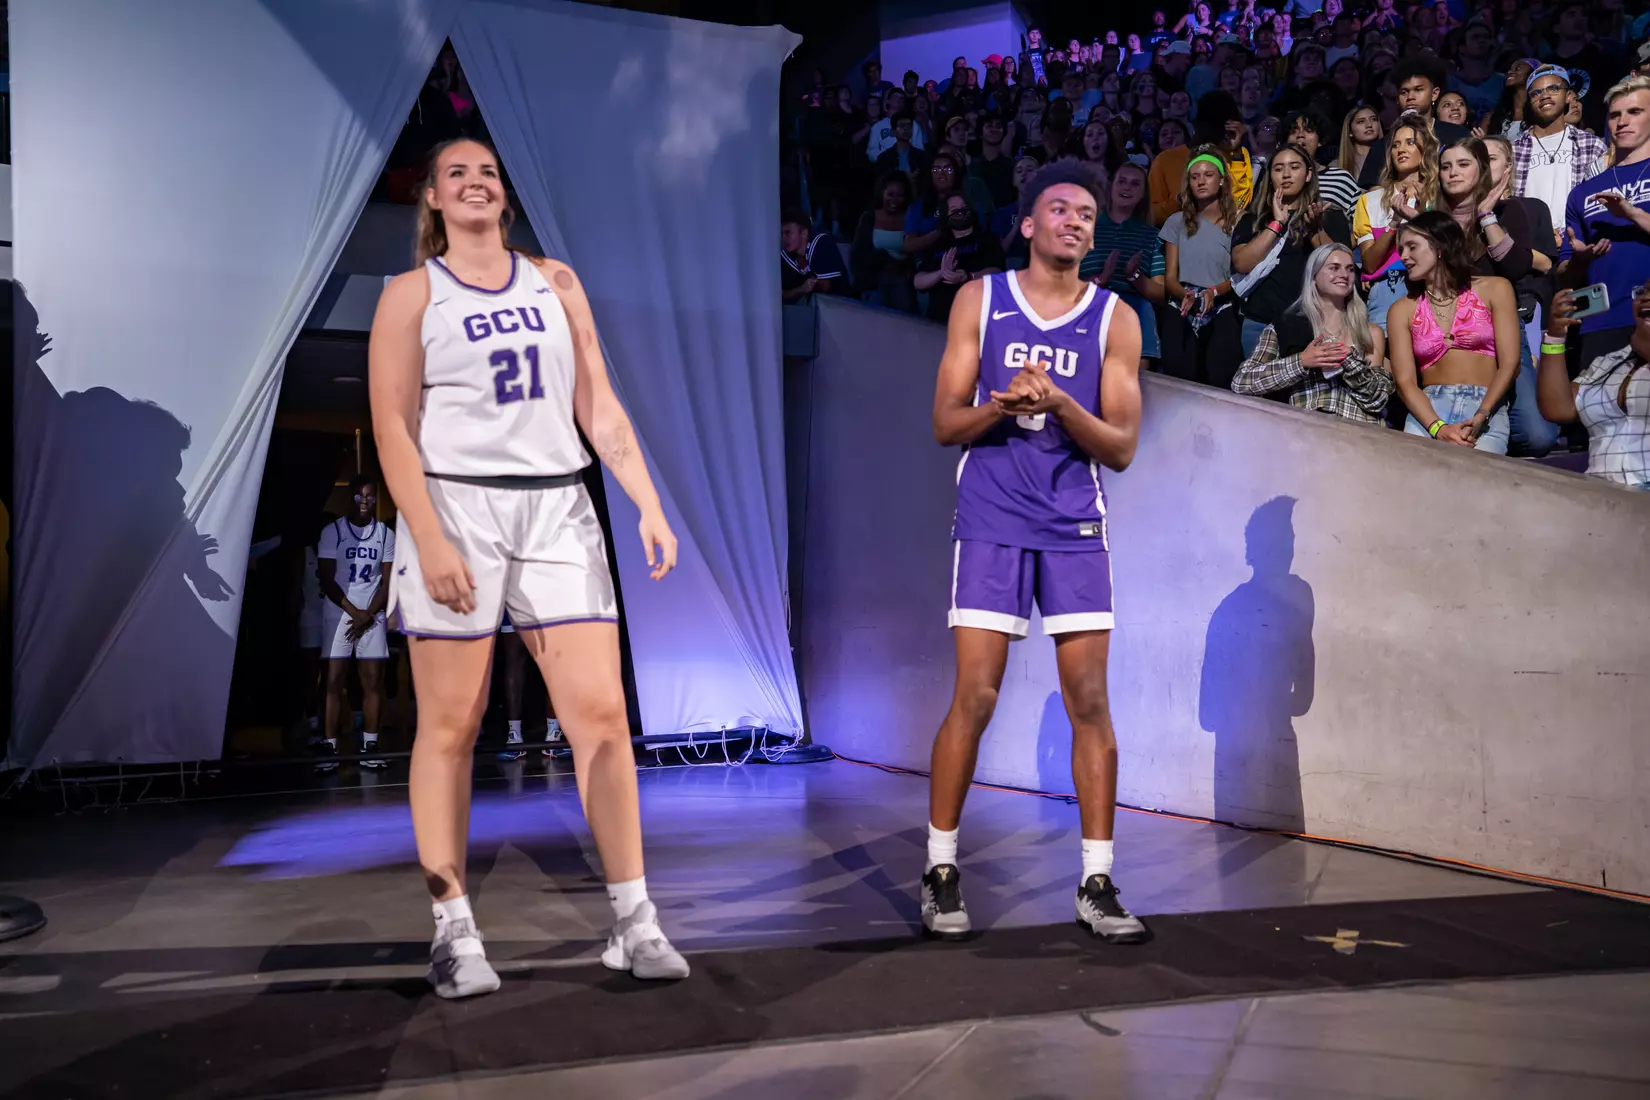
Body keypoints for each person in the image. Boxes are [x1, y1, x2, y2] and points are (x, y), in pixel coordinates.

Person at [369, 138, 689, 997]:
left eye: (488, 172)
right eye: (457, 173)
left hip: (557, 504)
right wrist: (428, 537)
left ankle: (634, 918)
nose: (475, 182)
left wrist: (646, 500)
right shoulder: (408, 295)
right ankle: (454, 929)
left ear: (504, 196)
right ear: (431, 198)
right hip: (456, 503)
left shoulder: (557, 280)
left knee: (602, 715)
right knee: (452, 722)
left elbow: (597, 402)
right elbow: (394, 426)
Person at [923, 159, 1148, 945]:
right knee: (975, 699)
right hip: (991, 515)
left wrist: (1059, 403)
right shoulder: (979, 300)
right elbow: (946, 424)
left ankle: (1096, 880)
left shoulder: (1115, 317)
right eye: (1060, 209)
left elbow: (1119, 447)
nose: (1076, 221)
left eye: (1087, 213)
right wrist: (999, 403)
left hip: (1073, 525)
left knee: (1090, 702)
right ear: (1027, 223)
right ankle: (942, 868)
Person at [1388, 211, 1522, 453]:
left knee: (1478, 482)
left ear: (1440, 246)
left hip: (1485, 407)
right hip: (1428, 412)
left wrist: (1482, 414)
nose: (1403, 257)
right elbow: (1405, 382)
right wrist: (1439, 428)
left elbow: (1511, 363)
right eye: (1401, 250)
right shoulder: (1401, 310)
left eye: (1412, 247)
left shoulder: (1495, 289)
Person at [1233, 242, 1393, 420]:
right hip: (1306, 433)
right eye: (1334, 267)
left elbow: (1377, 400)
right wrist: (1301, 362)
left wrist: (1348, 361)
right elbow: (1242, 382)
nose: (1344, 275)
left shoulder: (1369, 332)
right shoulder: (1286, 325)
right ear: (1314, 276)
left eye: (1349, 269)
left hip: (1357, 435)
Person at [1559, 76, 1650, 366]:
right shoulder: (1583, 192)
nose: (1622, 121)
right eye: (1615, 115)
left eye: (1635, 112)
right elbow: (1564, 273)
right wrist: (1580, 260)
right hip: (1601, 324)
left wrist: (1633, 214)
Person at [1231, 142, 1353, 355]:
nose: (1286, 174)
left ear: (1308, 175)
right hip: (1259, 323)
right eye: (1278, 169)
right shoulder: (1252, 219)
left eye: (1294, 167)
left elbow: (1341, 270)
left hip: (1312, 323)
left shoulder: (1330, 216)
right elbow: (1242, 263)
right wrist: (1276, 224)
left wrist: (1316, 231)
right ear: (1270, 176)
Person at [1537, 282, 1650, 489]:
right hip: (1600, 495)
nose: (1646, 297)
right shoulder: (1607, 363)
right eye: (1643, 291)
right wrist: (1555, 336)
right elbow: (1558, 408)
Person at [316, 476, 395, 771]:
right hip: (339, 613)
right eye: (359, 496)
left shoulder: (386, 535)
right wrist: (354, 612)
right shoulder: (332, 532)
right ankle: (329, 745)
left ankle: (370, 743)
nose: (365, 502)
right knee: (333, 681)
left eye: (370, 497)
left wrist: (368, 614)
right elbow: (326, 578)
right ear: (350, 497)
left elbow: (388, 582)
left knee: (373, 681)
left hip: (371, 615)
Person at [1160, 146, 1244, 387]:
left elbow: (1239, 274)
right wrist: (1185, 294)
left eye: (1208, 175)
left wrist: (1213, 292)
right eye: (1195, 177)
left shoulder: (1237, 222)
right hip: (1181, 306)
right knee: (1178, 382)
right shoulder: (1176, 222)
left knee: (1219, 379)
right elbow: (1170, 277)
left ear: (1221, 180)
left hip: (1221, 305)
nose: (1201, 181)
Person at [1354, 112, 1441, 331]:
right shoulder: (1370, 201)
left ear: (1426, 149)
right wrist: (1394, 223)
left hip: (1435, 287)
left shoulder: (1441, 195)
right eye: (1395, 145)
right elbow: (1370, 264)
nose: (1400, 150)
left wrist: (1422, 214)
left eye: (1410, 143)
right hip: (1388, 290)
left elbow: (1448, 248)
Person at [1079, 163, 1167, 363]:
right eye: (1122, 181)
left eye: (1135, 184)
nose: (1127, 187)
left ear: (1143, 194)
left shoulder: (1153, 235)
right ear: (1111, 187)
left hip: (1135, 318)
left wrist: (1134, 276)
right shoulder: (1084, 228)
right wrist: (1101, 279)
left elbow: (1161, 293)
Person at [1512, 66, 1608, 237]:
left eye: (1554, 88)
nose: (1545, 96)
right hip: (1528, 243)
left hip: (1576, 240)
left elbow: (1601, 200)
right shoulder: (1514, 149)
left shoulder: (1591, 145)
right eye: (1536, 93)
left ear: (1568, 96)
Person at [1356, 53, 1470, 188]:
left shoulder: (1457, 135)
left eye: (1418, 90)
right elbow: (1369, 190)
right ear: (1397, 99)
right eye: (1404, 92)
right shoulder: (1383, 145)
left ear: (1434, 94)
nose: (1410, 96)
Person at [915, 193, 1006, 321]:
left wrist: (968, 276)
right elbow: (918, 282)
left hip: (976, 319)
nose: (960, 212)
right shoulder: (937, 245)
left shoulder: (988, 240)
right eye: (953, 210)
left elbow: (997, 273)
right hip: (939, 320)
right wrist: (942, 273)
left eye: (963, 207)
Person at [496, 615, 562, 760]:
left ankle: (514, 736)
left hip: (516, 599)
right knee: (553, 662)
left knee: (514, 664)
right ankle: (553, 735)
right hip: (546, 601)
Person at [851, 172, 919, 312]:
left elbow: (918, 250)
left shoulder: (911, 217)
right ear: (882, 193)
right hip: (875, 280)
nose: (894, 200)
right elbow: (858, 254)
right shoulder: (869, 217)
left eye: (900, 195)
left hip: (903, 280)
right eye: (890, 194)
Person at [1285, 109, 1362, 213]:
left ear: (1320, 140)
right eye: (1293, 131)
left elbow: (1359, 223)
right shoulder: (1278, 178)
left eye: (1308, 130)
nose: (1300, 135)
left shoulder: (1341, 179)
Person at [781, 209, 844, 303]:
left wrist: (809, 286)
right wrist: (801, 289)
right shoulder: (784, 256)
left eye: (788, 233)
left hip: (844, 306)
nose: (784, 239)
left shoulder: (821, 243)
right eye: (781, 234)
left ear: (804, 233)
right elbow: (781, 295)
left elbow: (827, 287)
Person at [1338, 103, 1382, 180]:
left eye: (1373, 119)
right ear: (1350, 131)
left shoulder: (1391, 157)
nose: (1369, 125)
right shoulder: (1337, 166)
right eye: (1361, 121)